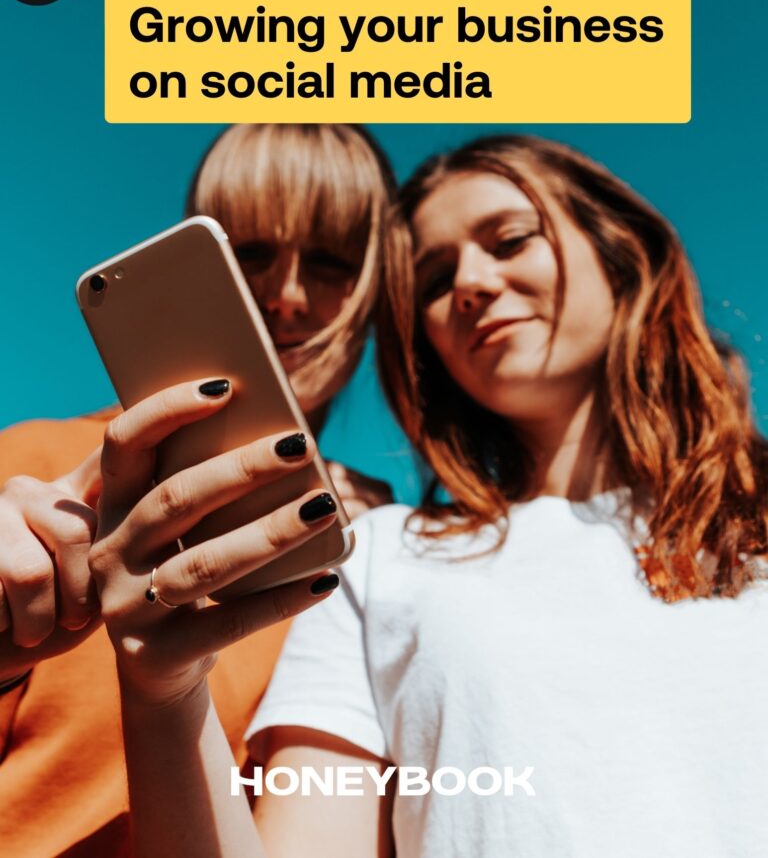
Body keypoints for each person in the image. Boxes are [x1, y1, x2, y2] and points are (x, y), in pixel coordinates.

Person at [85, 133, 768, 858]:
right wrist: (164, 693)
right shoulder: (378, 558)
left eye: (508, 240)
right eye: (436, 280)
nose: (470, 282)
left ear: (623, 255)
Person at [0, 123, 396, 858]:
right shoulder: (34, 472)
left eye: (333, 262)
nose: (287, 295)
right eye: (249, 253)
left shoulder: (391, 544)